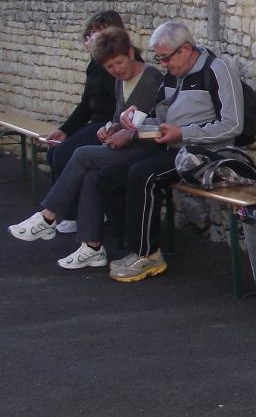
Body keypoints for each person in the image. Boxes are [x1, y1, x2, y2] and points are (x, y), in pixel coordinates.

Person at [97, 20, 244, 283]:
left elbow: (233, 125)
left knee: (144, 174)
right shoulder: (172, 76)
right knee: (110, 175)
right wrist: (136, 124)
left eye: (165, 58)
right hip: (175, 147)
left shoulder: (217, 69)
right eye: (159, 59)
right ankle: (129, 247)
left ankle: (147, 254)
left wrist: (183, 133)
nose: (163, 65)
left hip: (207, 154)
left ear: (186, 49)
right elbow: (161, 116)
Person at [8, 27, 165, 268]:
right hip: (131, 147)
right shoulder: (119, 81)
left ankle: (48, 217)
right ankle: (91, 246)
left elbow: (141, 124)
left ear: (131, 53)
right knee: (91, 173)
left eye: (119, 62)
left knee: (82, 155)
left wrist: (121, 132)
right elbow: (119, 118)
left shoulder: (150, 76)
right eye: (109, 67)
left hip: (150, 148)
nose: (116, 69)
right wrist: (110, 129)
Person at [43, 11, 128, 232]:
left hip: (109, 125)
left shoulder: (116, 66)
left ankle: (71, 213)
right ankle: (65, 210)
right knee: (54, 151)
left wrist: (112, 128)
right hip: (96, 123)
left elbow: (120, 105)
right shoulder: (95, 66)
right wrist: (65, 130)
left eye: (100, 33)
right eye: (91, 33)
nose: (93, 38)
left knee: (66, 154)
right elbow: (86, 104)